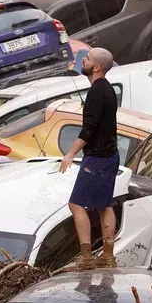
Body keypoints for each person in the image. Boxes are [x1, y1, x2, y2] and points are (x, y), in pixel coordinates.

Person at [59, 48, 118, 269]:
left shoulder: (96, 92)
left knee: (75, 204)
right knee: (104, 205)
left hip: (98, 158)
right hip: (110, 155)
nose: (82, 60)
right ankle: (108, 256)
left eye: (87, 59)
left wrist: (70, 153)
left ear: (96, 67)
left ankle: (86, 259)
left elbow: (89, 129)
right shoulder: (108, 90)